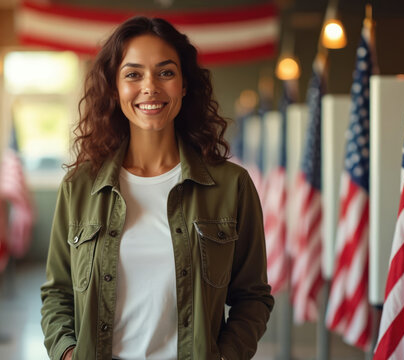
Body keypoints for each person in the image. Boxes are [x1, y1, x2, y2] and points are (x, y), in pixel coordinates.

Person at [40, 16, 274, 360]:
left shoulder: (231, 186)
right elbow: (57, 295)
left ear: (184, 85)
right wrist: (68, 353)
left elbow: (253, 296)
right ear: (114, 87)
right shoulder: (79, 188)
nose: (150, 87)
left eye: (165, 72)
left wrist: (226, 355)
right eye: (133, 74)